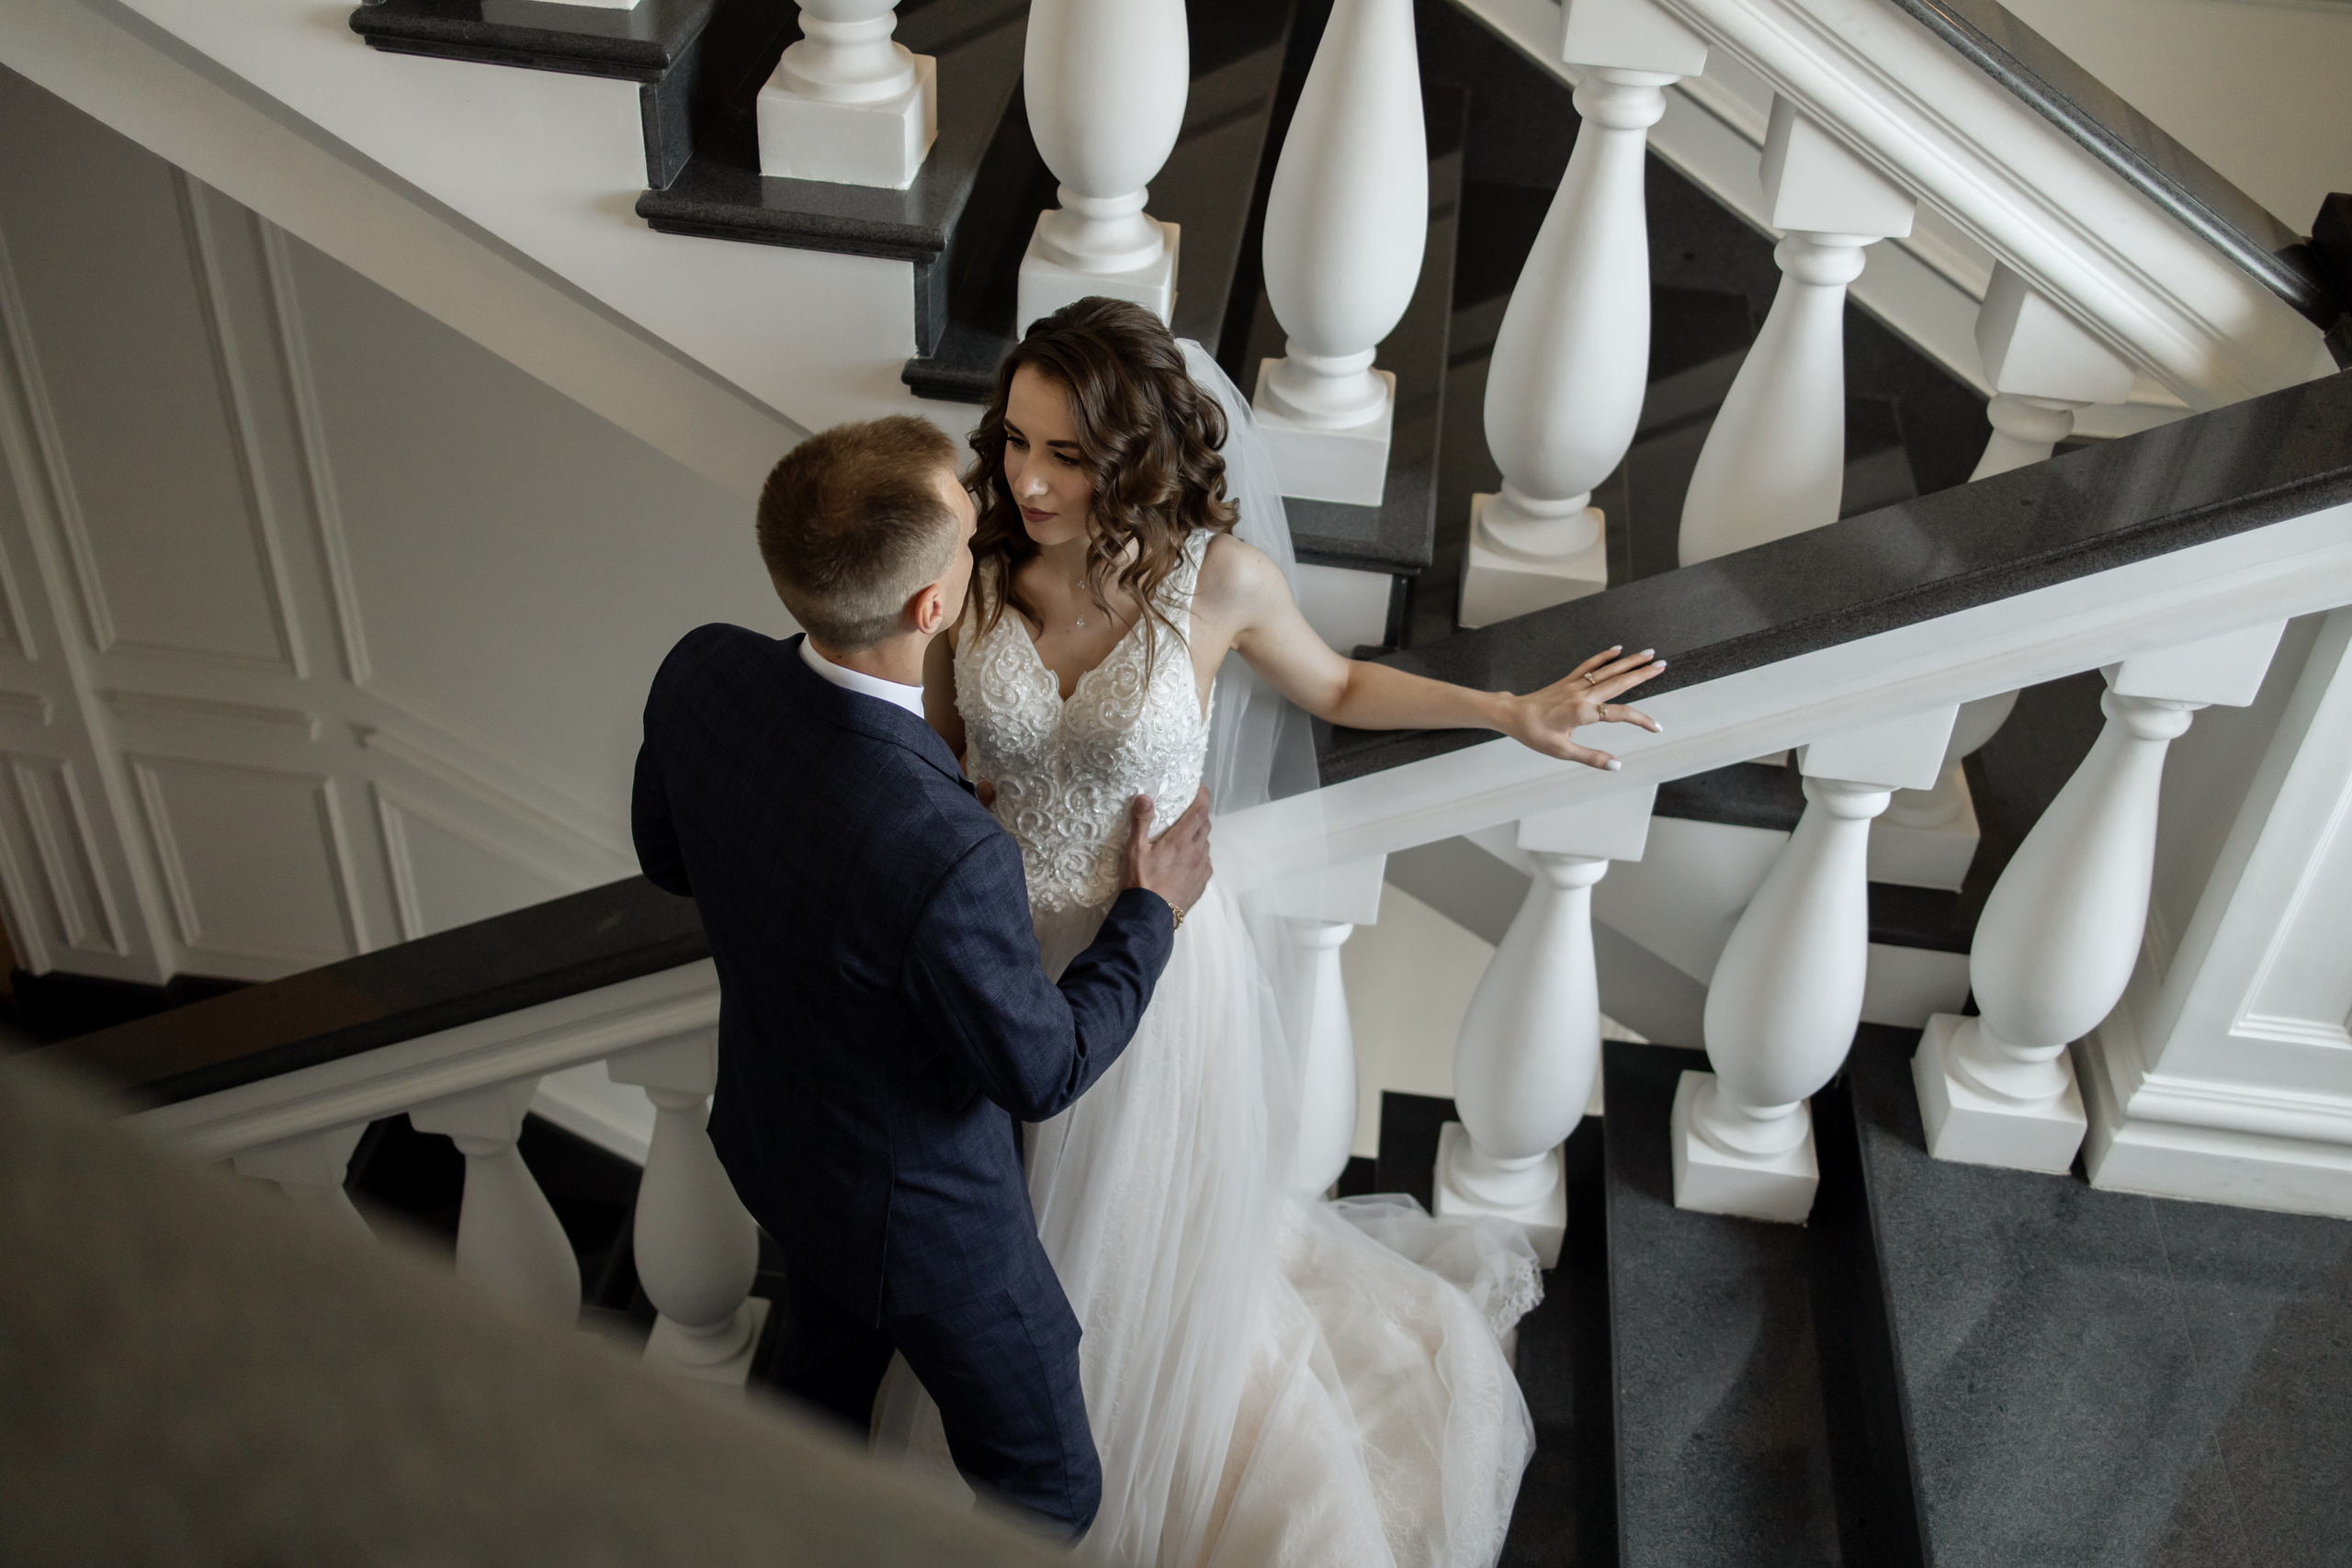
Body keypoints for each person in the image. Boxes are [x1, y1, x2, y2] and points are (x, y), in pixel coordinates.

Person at [888, 298, 1666, 1568]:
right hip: (996, 959)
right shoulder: (971, 562)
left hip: (1152, 967)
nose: (1027, 479)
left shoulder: (1220, 582)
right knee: (1000, 1227)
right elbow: (930, 745)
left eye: (1066, 456)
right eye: (1016, 441)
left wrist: (1509, 710)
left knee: (1125, 1240)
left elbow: (1340, 684)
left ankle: (1123, 1463)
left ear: (1133, 454)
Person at [630, 413, 1215, 1539]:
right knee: (1048, 1491)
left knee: (813, 1398)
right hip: (928, 1228)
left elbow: (669, 857)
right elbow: (1042, 1068)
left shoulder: (702, 673)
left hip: (778, 1147)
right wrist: (1151, 911)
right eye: (966, 525)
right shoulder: (943, 853)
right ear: (932, 608)